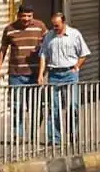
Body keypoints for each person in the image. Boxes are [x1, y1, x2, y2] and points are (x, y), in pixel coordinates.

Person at [38, 9, 92, 145]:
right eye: (53, 25)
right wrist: (41, 74)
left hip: (70, 74)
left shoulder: (74, 34)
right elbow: (43, 55)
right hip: (54, 74)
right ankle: (54, 138)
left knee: (72, 105)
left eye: (57, 25)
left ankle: (73, 133)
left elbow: (84, 53)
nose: (55, 28)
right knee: (53, 107)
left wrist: (76, 67)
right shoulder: (49, 36)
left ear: (63, 23)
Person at [0, 7, 47, 139]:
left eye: (29, 16)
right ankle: (18, 134)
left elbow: (48, 47)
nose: (26, 19)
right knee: (16, 106)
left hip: (34, 74)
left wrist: (44, 71)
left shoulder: (40, 27)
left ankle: (34, 132)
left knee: (35, 106)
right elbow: (3, 50)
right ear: (18, 15)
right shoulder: (9, 29)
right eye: (24, 16)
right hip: (16, 74)